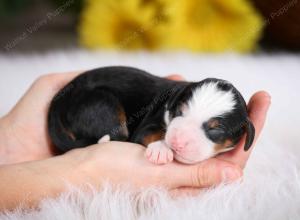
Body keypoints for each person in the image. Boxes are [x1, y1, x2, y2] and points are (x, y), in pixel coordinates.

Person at [0, 72, 271, 211]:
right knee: (116, 128)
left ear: (242, 136)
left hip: (91, 106)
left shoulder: (233, 125)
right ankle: (98, 139)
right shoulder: (167, 102)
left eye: (212, 131)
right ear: (176, 101)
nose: (179, 137)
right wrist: (156, 143)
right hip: (92, 98)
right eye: (180, 114)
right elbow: (144, 135)